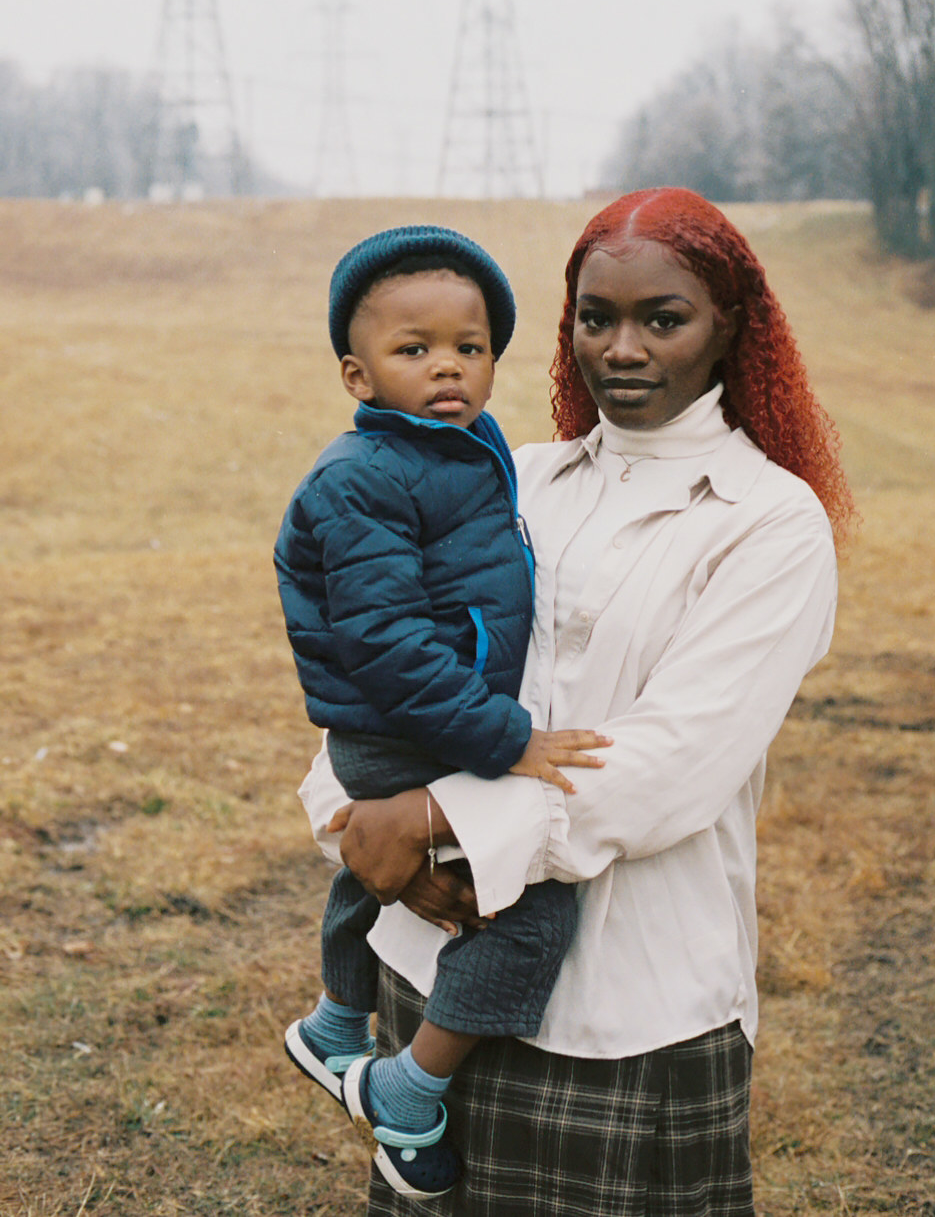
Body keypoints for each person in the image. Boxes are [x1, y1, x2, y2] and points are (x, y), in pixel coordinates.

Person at [301, 188, 855, 1217]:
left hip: (628, 1009)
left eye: (664, 317)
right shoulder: (514, 477)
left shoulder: (770, 523)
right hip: (434, 966)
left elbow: (666, 764)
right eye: (595, 317)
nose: (623, 348)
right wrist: (354, 823)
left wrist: (429, 821)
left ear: (732, 324)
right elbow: (373, 653)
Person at [275, 225, 611, 1201]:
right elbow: (388, 647)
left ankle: (336, 1023)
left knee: (384, 861)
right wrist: (506, 738)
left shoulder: (466, 448)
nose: (447, 367)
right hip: (406, 728)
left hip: (424, 719)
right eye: (412, 350)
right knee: (533, 904)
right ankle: (409, 1089)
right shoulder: (364, 478)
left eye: (468, 347)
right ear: (357, 372)